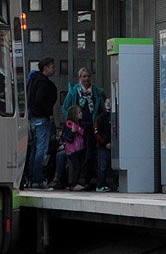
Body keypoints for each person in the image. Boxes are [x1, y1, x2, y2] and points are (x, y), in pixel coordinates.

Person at [61, 67, 106, 188]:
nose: (86, 79)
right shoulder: (74, 91)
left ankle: (85, 180)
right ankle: (76, 181)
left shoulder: (96, 92)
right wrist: (70, 122)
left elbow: (102, 110)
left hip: (90, 127)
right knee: (78, 154)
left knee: (89, 154)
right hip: (78, 127)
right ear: (79, 78)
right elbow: (65, 107)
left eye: (88, 76)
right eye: (83, 76)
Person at [26, 58, 57, 189]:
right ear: (46, 68)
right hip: (41, 118)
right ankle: (37, 179)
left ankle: (31, 178)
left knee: (33, 149)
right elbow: (40, 99)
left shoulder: (32, 80)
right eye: (52, 67)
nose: (54, 69)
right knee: (41, 149)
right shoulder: (44, 83)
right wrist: (48, 112)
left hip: (31, 117)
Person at [62, 105, 87, 191]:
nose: (81, 114)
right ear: (74, 115)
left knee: (78, 166)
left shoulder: (78, 124)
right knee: (76, 167)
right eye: (79, 112)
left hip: (78, 149)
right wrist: (72, 132)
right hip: (72, 150)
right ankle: (73, 184)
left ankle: (74, 183)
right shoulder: (69, 125)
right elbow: (68, 138)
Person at [94, 98, 113, 192]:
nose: (109, 104)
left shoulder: (116, 117)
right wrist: (105, 143)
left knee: (114, 167)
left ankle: (115, 184)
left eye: (110, 102)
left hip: (114, 145)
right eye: (107, 102)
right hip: (103, 146)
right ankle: (100, 185)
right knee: (102, 166)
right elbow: (97, 133)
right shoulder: (100, 118)